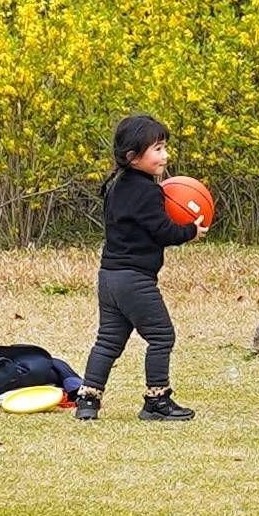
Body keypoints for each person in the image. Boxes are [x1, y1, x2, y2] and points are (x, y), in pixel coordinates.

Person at [77, 115, 195, 423]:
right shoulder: (148, 191)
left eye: (164, 147)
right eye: (157, 148)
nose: (165, 155)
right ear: (133, 156)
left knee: (108, 341)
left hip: (109, 278)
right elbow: (163, 231)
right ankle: (156, 400)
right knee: (161, 336)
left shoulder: (117, 187)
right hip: (135, 281)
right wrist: (191, 231)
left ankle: (88, 399)